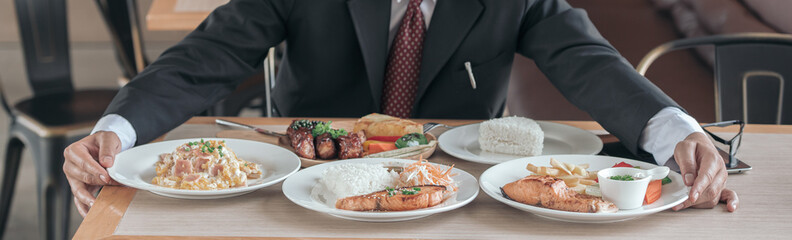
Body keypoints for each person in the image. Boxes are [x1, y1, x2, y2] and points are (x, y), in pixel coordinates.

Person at [63, 0, 738, 217]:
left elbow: (589, 62)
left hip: (458, 194)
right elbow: (201, 60)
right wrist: (113, 133)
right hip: (303, 189)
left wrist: (675, 132)